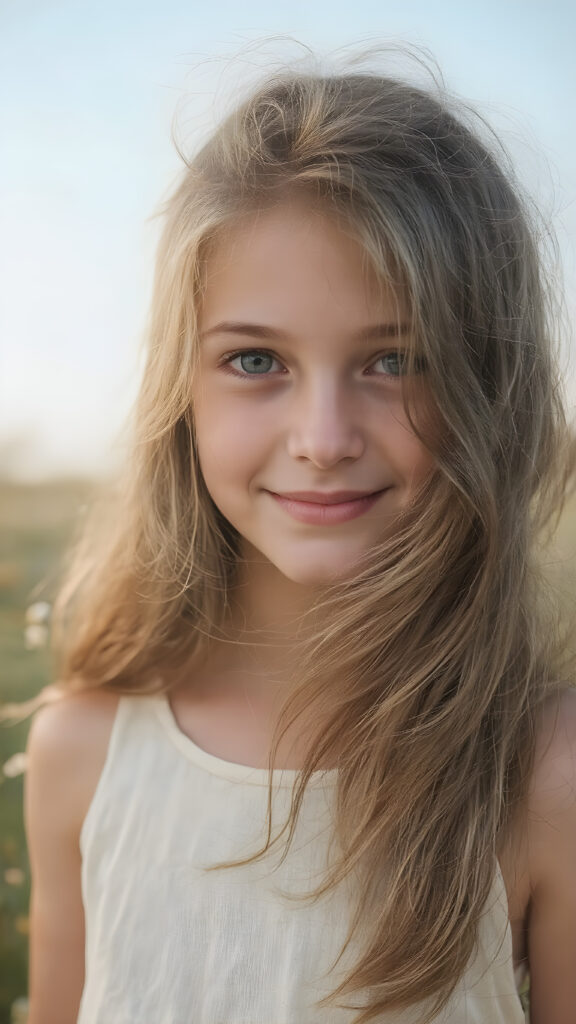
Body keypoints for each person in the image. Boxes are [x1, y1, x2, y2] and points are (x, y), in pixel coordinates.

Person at [21, 44, 576, 1024]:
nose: (323, 439)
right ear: (179, 390)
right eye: (255, 361)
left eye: (396, 360)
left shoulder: (542, 773)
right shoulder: (85, 752)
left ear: (490, 387)